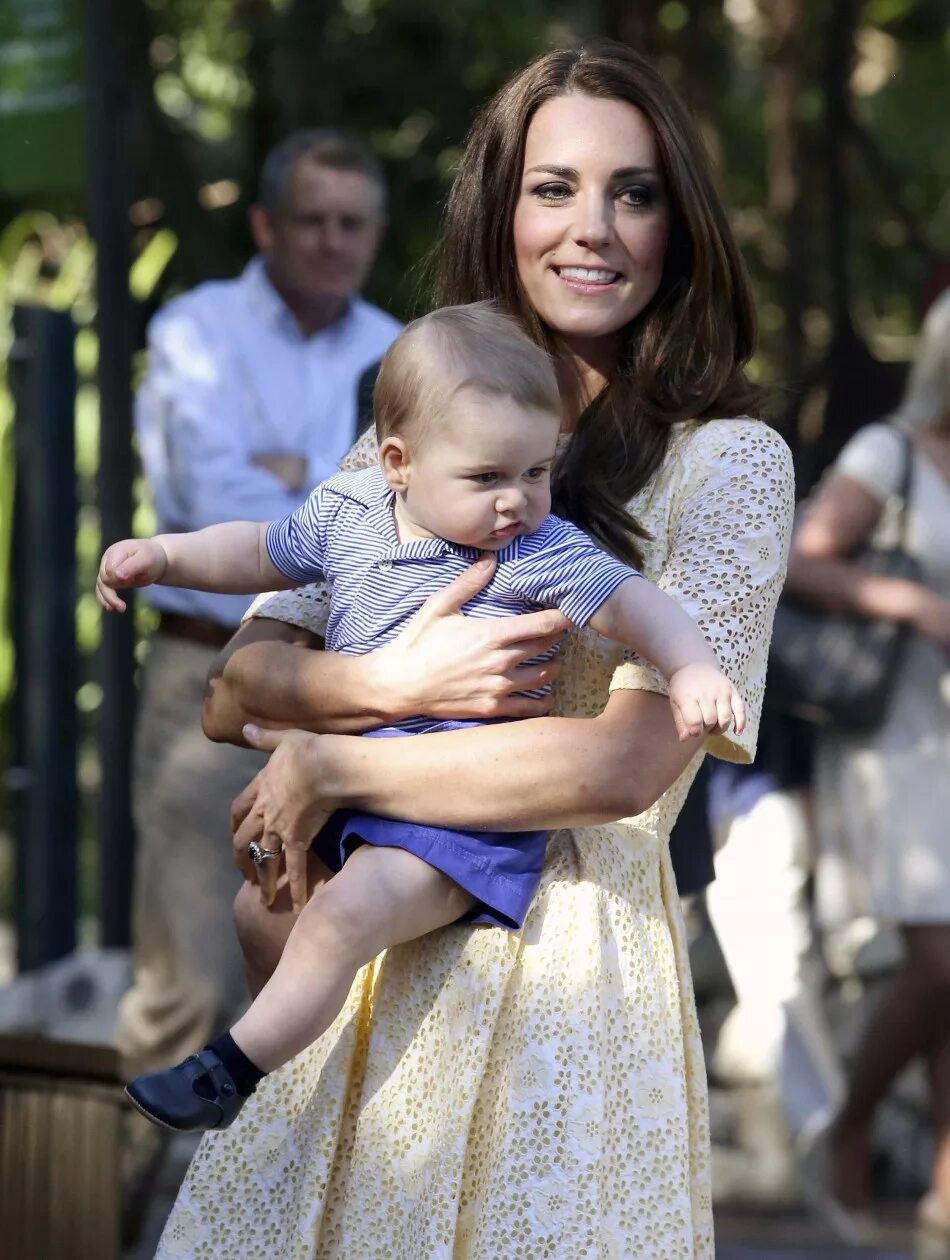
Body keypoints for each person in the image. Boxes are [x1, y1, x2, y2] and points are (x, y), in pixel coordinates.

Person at [157, 42, 794, 1257]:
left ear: (680, 224)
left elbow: (619, 768)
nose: (590, 228)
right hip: (350, 977)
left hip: (562, 980)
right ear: (500, 210)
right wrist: (382, 684)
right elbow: (235, 685)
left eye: (633, 191)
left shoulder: (730, 464)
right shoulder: (417, 419)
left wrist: (338, 763)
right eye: (552, 187)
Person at [98, 302, 747, 1131]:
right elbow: (258, 549)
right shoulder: (349, 513)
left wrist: (691, 664)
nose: (517, 500)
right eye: (487, 478)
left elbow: (635, 604)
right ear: (397, 462)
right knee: (257, 909)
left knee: (344, 912)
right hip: (356, 794)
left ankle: (227, 1069)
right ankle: (296, 1094)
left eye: (535, 472)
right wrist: (165, 555)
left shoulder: (535, 550)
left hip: (457, 809)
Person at [115, 128, 401, 1085]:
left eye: (351, 223)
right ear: (266, 225)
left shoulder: (399, 350)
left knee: (314, 968)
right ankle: (125, 1215)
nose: (331, 241)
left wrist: (291, 480)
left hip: (364, 692)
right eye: (311, 220)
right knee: (188, 980)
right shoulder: (196, 330)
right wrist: (345, 502)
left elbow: (418, 513)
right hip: (206, 671)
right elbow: (206, 499)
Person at [786, 289, 950, 1251]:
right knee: (940, 959)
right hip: (899, 739)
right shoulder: (890, 450)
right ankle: (848, 1132)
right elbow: (800, 560)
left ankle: (941, 1192)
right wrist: (911, 603)